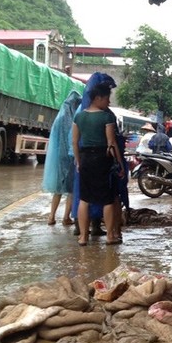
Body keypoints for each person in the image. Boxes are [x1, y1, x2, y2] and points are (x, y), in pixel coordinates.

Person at [72, 82, 125, 246]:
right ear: (98, 98)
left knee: (84, 199)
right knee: (107, 200)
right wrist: (120, 163)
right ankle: (110, 236)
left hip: (85, 158)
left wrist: (78, 161)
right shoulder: (106, 117)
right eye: (107, 98)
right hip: (103, 159)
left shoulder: (79, 116)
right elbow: (111, 142)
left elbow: (75, 141)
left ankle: (82, 237)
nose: (108, 102)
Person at [42, 90, 81, 226]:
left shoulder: (59, 119)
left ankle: (51, 217)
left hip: (58, 158)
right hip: (70, 157)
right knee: (71, 189)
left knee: (58, 189)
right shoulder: (74, 119)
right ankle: (66, 217)